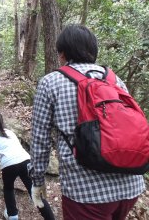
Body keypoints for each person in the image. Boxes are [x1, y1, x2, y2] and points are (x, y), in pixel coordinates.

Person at [28, 24, 146, 220]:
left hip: (85, 193)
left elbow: (40, 139)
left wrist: (38, 180)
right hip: (131, 185)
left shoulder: (50, 82)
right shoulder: (114, 79)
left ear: (63, 54)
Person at [0, 111, 55, 220]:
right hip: (25, 160)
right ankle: (50, 218)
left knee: (8, 189)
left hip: (9, 166)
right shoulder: (10, 132)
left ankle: (13, 215)